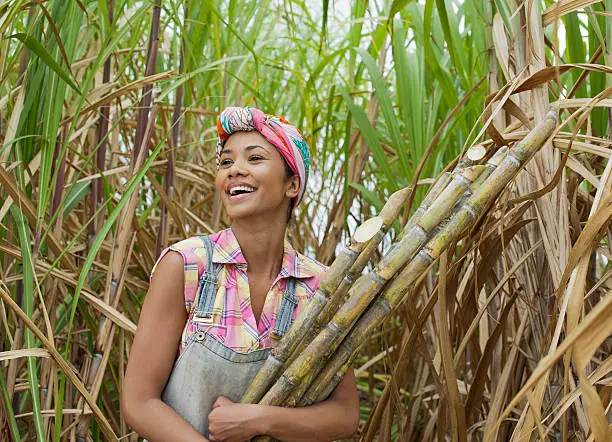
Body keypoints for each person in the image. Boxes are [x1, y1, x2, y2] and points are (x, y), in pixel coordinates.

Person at [122, 106, 360, 442]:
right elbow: (139, 401)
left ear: (292, 185)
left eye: (254, 158)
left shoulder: (319, 286)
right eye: (226, 162)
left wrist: (260, 419)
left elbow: (345, 414)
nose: (235, 170)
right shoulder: (187, 265)